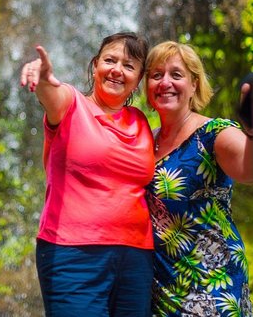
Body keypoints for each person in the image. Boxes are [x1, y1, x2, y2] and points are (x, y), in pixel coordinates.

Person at [19, 32, 155, 317]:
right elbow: (52, 94)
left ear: (139, 79)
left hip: (136, 257)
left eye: (129, 66)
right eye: (110, 60)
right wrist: (43, 79)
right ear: (95, 66)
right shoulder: (71, 104)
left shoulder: (141, 121)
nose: (117, 69)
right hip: (73, 254)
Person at [144, 41, 253, 317]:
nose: (165, 82)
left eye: (176, 75)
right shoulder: (146, 139)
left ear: (194, 84)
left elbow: (250, 169)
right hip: (162, 289)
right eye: (156, 75)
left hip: (212, 285)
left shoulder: (215, 133)